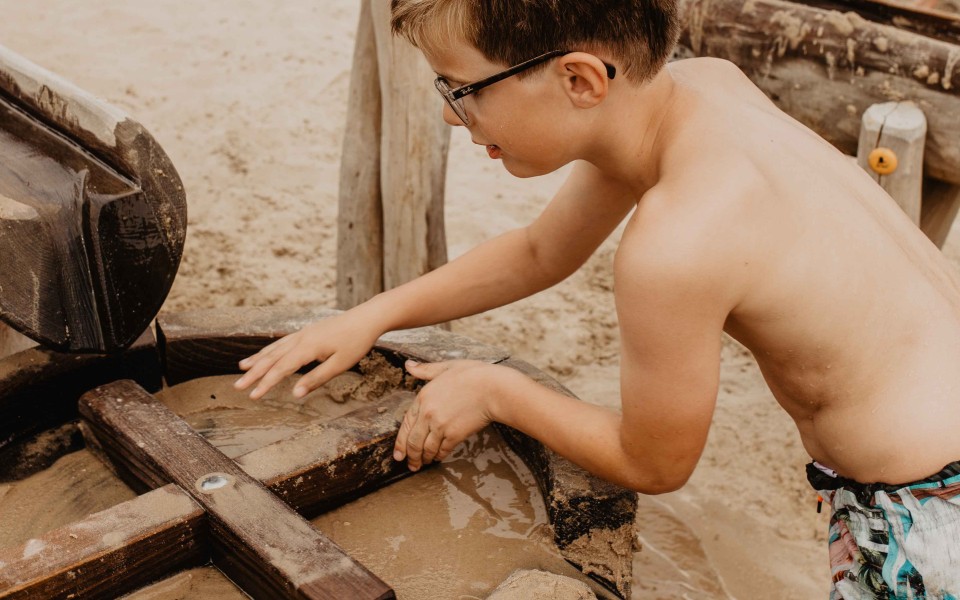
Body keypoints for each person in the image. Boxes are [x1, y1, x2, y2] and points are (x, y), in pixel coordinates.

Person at [235, 1, 960, 596]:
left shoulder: (675, 245)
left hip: (928, 516)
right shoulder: (704, 85)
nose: (454, 117)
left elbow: (654, 463)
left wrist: (496, 390)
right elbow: (540, 250)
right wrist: (371, 315)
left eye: (460, 87)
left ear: (579, 80)